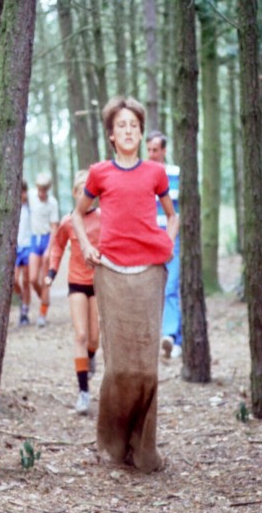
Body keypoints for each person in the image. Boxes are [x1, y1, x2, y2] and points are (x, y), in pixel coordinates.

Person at [72, 96, 177, 473]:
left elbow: (172, 215)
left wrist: (168, 244)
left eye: (134, 125)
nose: (129, 131)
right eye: (122, 126)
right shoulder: (99, 173)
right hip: (111, 273)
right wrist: (87, 247)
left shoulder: (155, 173)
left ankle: (144, 448)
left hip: (149, 272)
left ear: (141, 132)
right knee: (119, 369)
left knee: (146, 370)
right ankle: (113, 445)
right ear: (112, 136)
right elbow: (77, 214)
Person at [46, 171, 101, 415]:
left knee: (94, 338)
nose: (84, 196)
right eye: (80, 192)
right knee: (81, 335)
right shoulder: (68, 221)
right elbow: (57, 247)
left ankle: (91, 356)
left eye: (88, 192)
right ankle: (83, 393)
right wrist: (51, 272)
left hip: (99, 284)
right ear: (74, 193)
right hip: (77, 282)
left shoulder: (103, 218)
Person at [146, 131, 182, 360]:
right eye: (149, 150)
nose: (152, 154)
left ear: (164, 151)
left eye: (156, 150)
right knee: (151, 288)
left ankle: (171, 336)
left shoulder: (176, 174)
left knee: (171, 286)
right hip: (148, 238)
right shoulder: (142, 174)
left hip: (171, 237)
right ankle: (161, 335)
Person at [28, 172, 60, 327]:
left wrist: (49, 249)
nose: (41, 193)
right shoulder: (31, 196)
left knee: (44, 279)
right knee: (33, 279)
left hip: (47, 238)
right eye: (40, 190)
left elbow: (54, 227)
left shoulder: (52, 203)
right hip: (35, 238)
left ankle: (42, 313)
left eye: (44, 191)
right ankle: (44, 299)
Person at [14, 180, 33, 326]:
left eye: (24, 191)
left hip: (28, 246)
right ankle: (21, 299)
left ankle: (25, 311)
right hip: (15, 247)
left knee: (26, 280)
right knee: (14, 280)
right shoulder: (13, 208)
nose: (23, 194)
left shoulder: (30, 207)